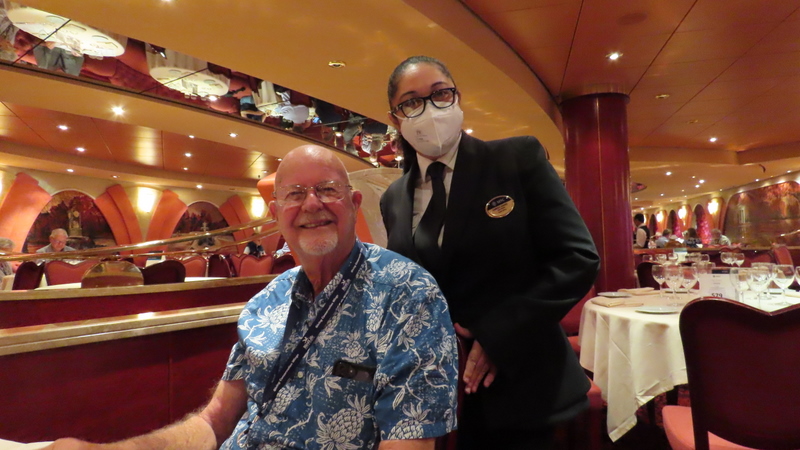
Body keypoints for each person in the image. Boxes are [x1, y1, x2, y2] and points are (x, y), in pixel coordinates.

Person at [46, 145, 458, 450]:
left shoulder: (408, 295)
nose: (311, 203)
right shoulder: (266, 302)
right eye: (294, 194)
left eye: (327, 189)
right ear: (277, 214)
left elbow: (408, 444)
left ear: (353, 204)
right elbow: (215, 421)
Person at [380, 56, 600, 449]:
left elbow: (577, 258)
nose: (429, 109)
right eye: (411, 102)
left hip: (523, 380)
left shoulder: (516, 158)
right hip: (438, 391)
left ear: (457, 98)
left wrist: (498, 334)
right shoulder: (394, 198)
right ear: (396, 119)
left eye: (440, 94)